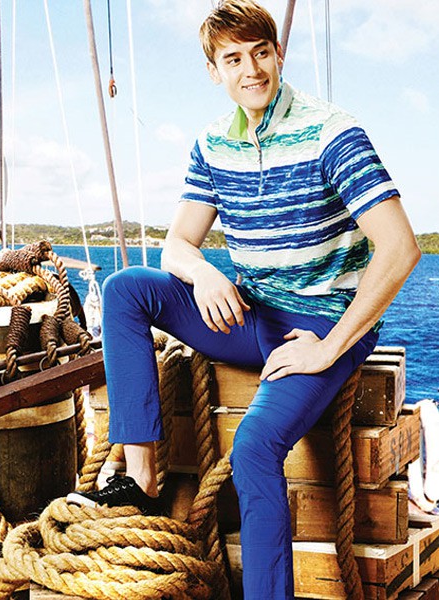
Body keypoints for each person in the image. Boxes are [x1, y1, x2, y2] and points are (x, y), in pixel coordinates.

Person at [67, 1, 421, 597]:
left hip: (319, 325)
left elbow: (401, 249)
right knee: (126, 288)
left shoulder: (333, 132)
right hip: (251, 314)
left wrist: (330, 347)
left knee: (254, 449)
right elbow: (177, 244)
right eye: (233, 59)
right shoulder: (212, 144)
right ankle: (142, 479)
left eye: (260, 53)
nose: (250, 69)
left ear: (278, 55)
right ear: (214, 71)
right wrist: (204, 274)